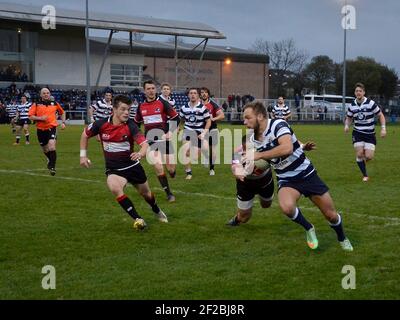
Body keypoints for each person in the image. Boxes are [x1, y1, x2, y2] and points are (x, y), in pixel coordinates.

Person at [241, 101, 353, 251]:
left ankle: (342, 237)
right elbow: (258, 157)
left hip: (306, 174)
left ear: (260, 116)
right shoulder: (252, 139)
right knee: (287, 208)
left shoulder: (278, 125)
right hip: (286, 179)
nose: (244, 121)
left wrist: (259, 155)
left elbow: (286, 147)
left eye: (248, 118)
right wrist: (246, 168)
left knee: (331, 215)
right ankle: (309, 228)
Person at [79, 94, 168, 230]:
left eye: (128, 109)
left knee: (146, 194)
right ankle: (138, 219)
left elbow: (144, 144)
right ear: (114, 109)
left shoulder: (131, 125)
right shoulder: (101, 124)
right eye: (123, 109)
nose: (126, 112)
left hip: (132, 167)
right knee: (114, 187)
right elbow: (85, 134)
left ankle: (156, 209)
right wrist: (83, 155)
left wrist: (140, 153)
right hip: (114, 169)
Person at [227, 135, 316, 227]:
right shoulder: (237, 153)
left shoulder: (264, 148)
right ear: (243, 146)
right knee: (244, 218)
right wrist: (238, 172)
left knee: (266, 205)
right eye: (247, 149)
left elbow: (286, 146)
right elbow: (235, 167)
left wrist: (303, 146)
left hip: (265, 181)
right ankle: (236, 219)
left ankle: (260, 196)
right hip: (245, 184)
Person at [134, 80, 180, 202]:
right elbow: (136, 125)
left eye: (153, 88)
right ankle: (169, 193)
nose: (151, 91)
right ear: (144, 91)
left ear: (156, 90)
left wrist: (170, 132)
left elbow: (176, 118)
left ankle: (172, 173)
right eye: (148, 89)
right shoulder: (141, 107)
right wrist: (139, 139)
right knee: (159, 167)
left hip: (164, 139)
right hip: (150, 141)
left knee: (171, 168)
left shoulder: (163, 103)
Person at [344, 83, 386, 182]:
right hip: (357, 133)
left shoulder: (371, 103)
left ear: (364, 92)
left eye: (360, 91)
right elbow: (349, 118)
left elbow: (380, 115)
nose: (358, 92)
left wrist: (383, 128)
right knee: (359, 154)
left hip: (370, 134)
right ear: (355, 93)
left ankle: (362, 161)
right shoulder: (352, 105)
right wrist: (346, 126)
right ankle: (365, 175)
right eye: (356, 91)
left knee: (368, 156)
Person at [28, 87, 66, 176]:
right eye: (44, 93)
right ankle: (49, 159)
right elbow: (30, 116)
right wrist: (40, 118)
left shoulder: (55, 103)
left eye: (47, 93)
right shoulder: (36, 104)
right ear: (41, 95)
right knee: (45, 149)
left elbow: (62, 112)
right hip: (40, 130)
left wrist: (63, 122)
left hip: (51, 128)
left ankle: (52, 167)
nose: (46, 94)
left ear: (50, 94)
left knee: (52, 146)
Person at [178, 88, 211, 180]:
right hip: (187, 131)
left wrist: (204, 133)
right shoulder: (184, 107)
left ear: (198, 95)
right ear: (188, 95)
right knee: (186, 152)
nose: (192, 95)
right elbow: (179, 119)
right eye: (191, 93)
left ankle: (205, 154)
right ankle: (189, 173)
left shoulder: (203, 108)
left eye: (195, 93)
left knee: (195, 157)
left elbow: (208, 121)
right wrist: (177, 127)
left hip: (199, 132)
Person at [200, 87, 225, 176]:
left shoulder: (213, 104)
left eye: (205, 92)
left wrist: (213, 118)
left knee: (213, 150)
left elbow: (222, 115)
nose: (204, 94)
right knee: (204, 148)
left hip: (213, 129)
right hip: (202, 130)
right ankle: (206, 157)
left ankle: (212, 169)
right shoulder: (198, 104)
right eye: (202, 92)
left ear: (208, 94)